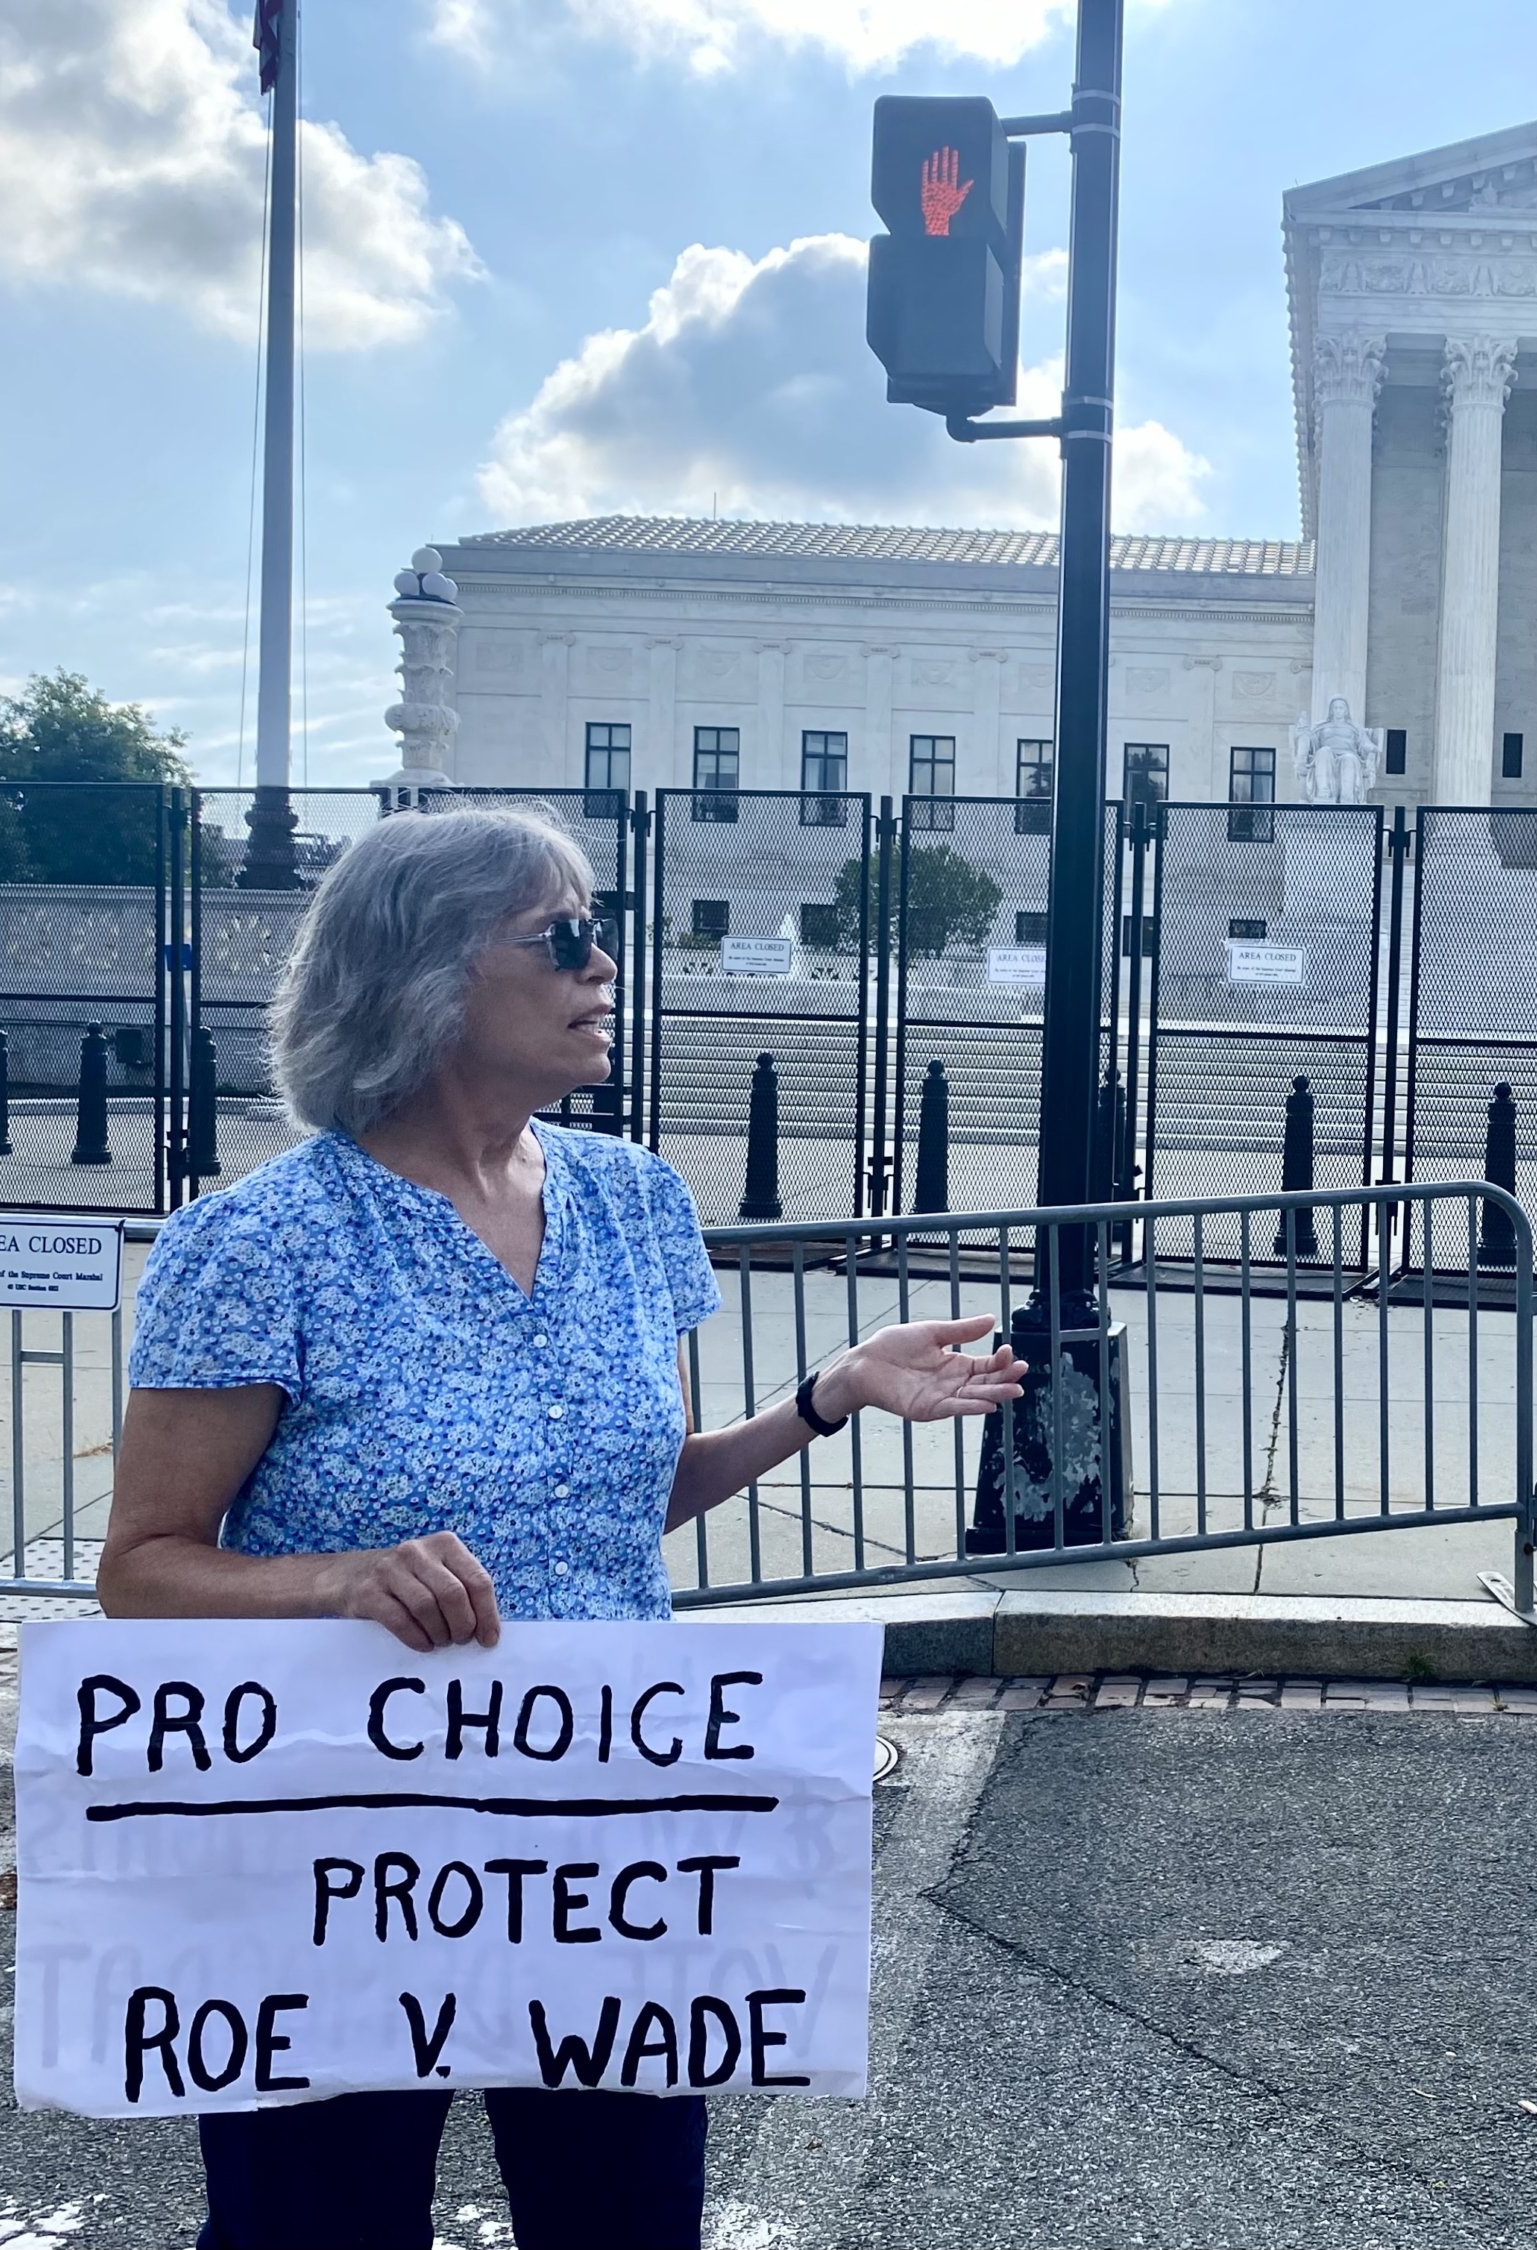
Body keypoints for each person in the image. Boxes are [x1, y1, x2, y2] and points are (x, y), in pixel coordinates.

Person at [96, 804, 1020, 2250]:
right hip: (341, 1839)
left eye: (602, 929)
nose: (606, 964)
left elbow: (621, 1503)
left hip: (604, 1826)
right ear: (425, 973)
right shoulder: (263, 1241)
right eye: (564, 936)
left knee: (625, 2219)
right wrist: (344, 1579)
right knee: (317, 2227)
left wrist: (825, 1398)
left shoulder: (637, 1200)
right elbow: (144, 1569)